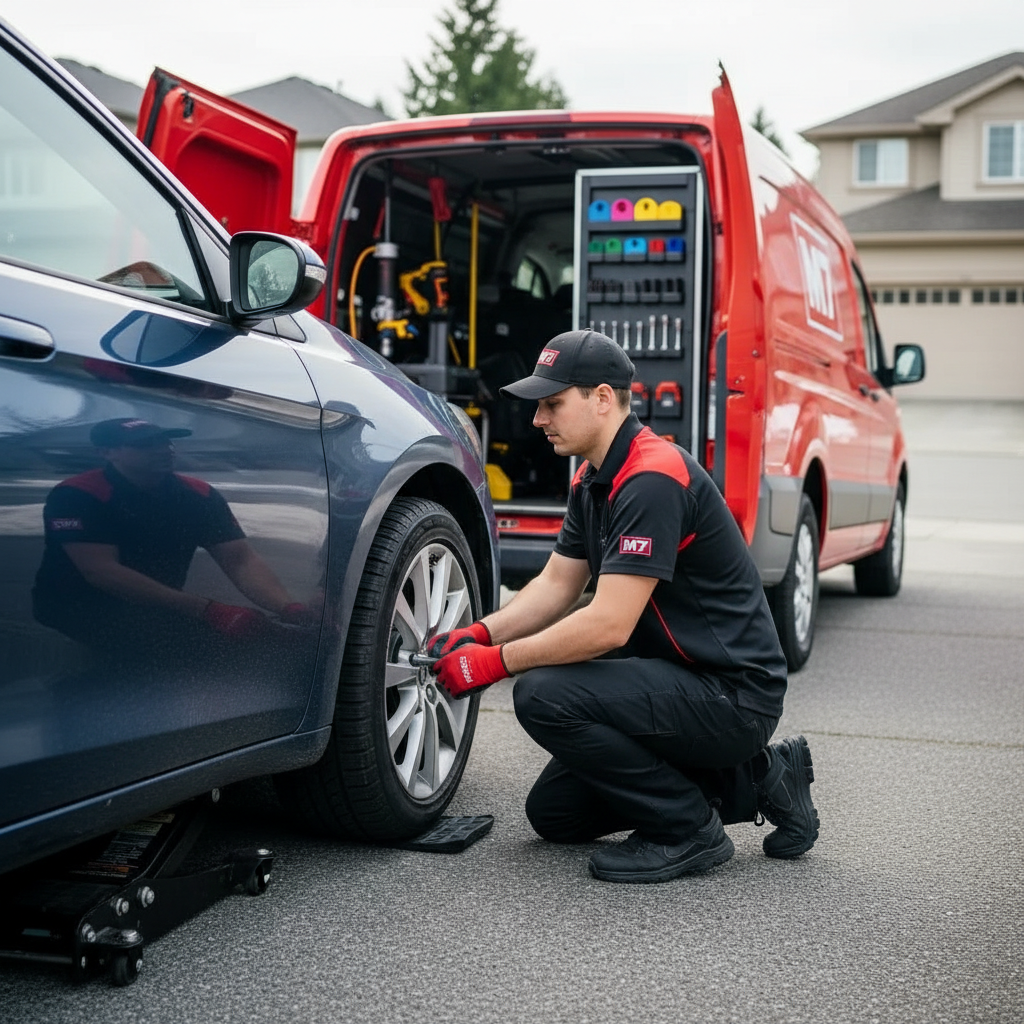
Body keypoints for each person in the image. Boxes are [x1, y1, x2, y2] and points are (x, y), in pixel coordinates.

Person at [429, 329, 819, 883]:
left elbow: (609, 625)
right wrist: (480, 634)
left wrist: (501, 662)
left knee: (542, 694)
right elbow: (557, 586)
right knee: (556, 815)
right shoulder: (593, 478)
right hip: (675, 679)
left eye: (552, 403)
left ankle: (688, 830)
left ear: (603, 398)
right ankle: (764, 778)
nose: (539, 419)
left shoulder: (652, 478)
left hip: (733, 693)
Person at [33, 417, 311, 655]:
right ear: (107, 452)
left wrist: (288, 608)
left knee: (262, 634)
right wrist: (209, 611)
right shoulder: (79, 495)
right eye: (145, 444)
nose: (163, 450)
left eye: (166, 441)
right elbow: (102, 572)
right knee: (217, 649)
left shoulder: (197, 495)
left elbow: (239, 561)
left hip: (157, 603)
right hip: (81, 604)